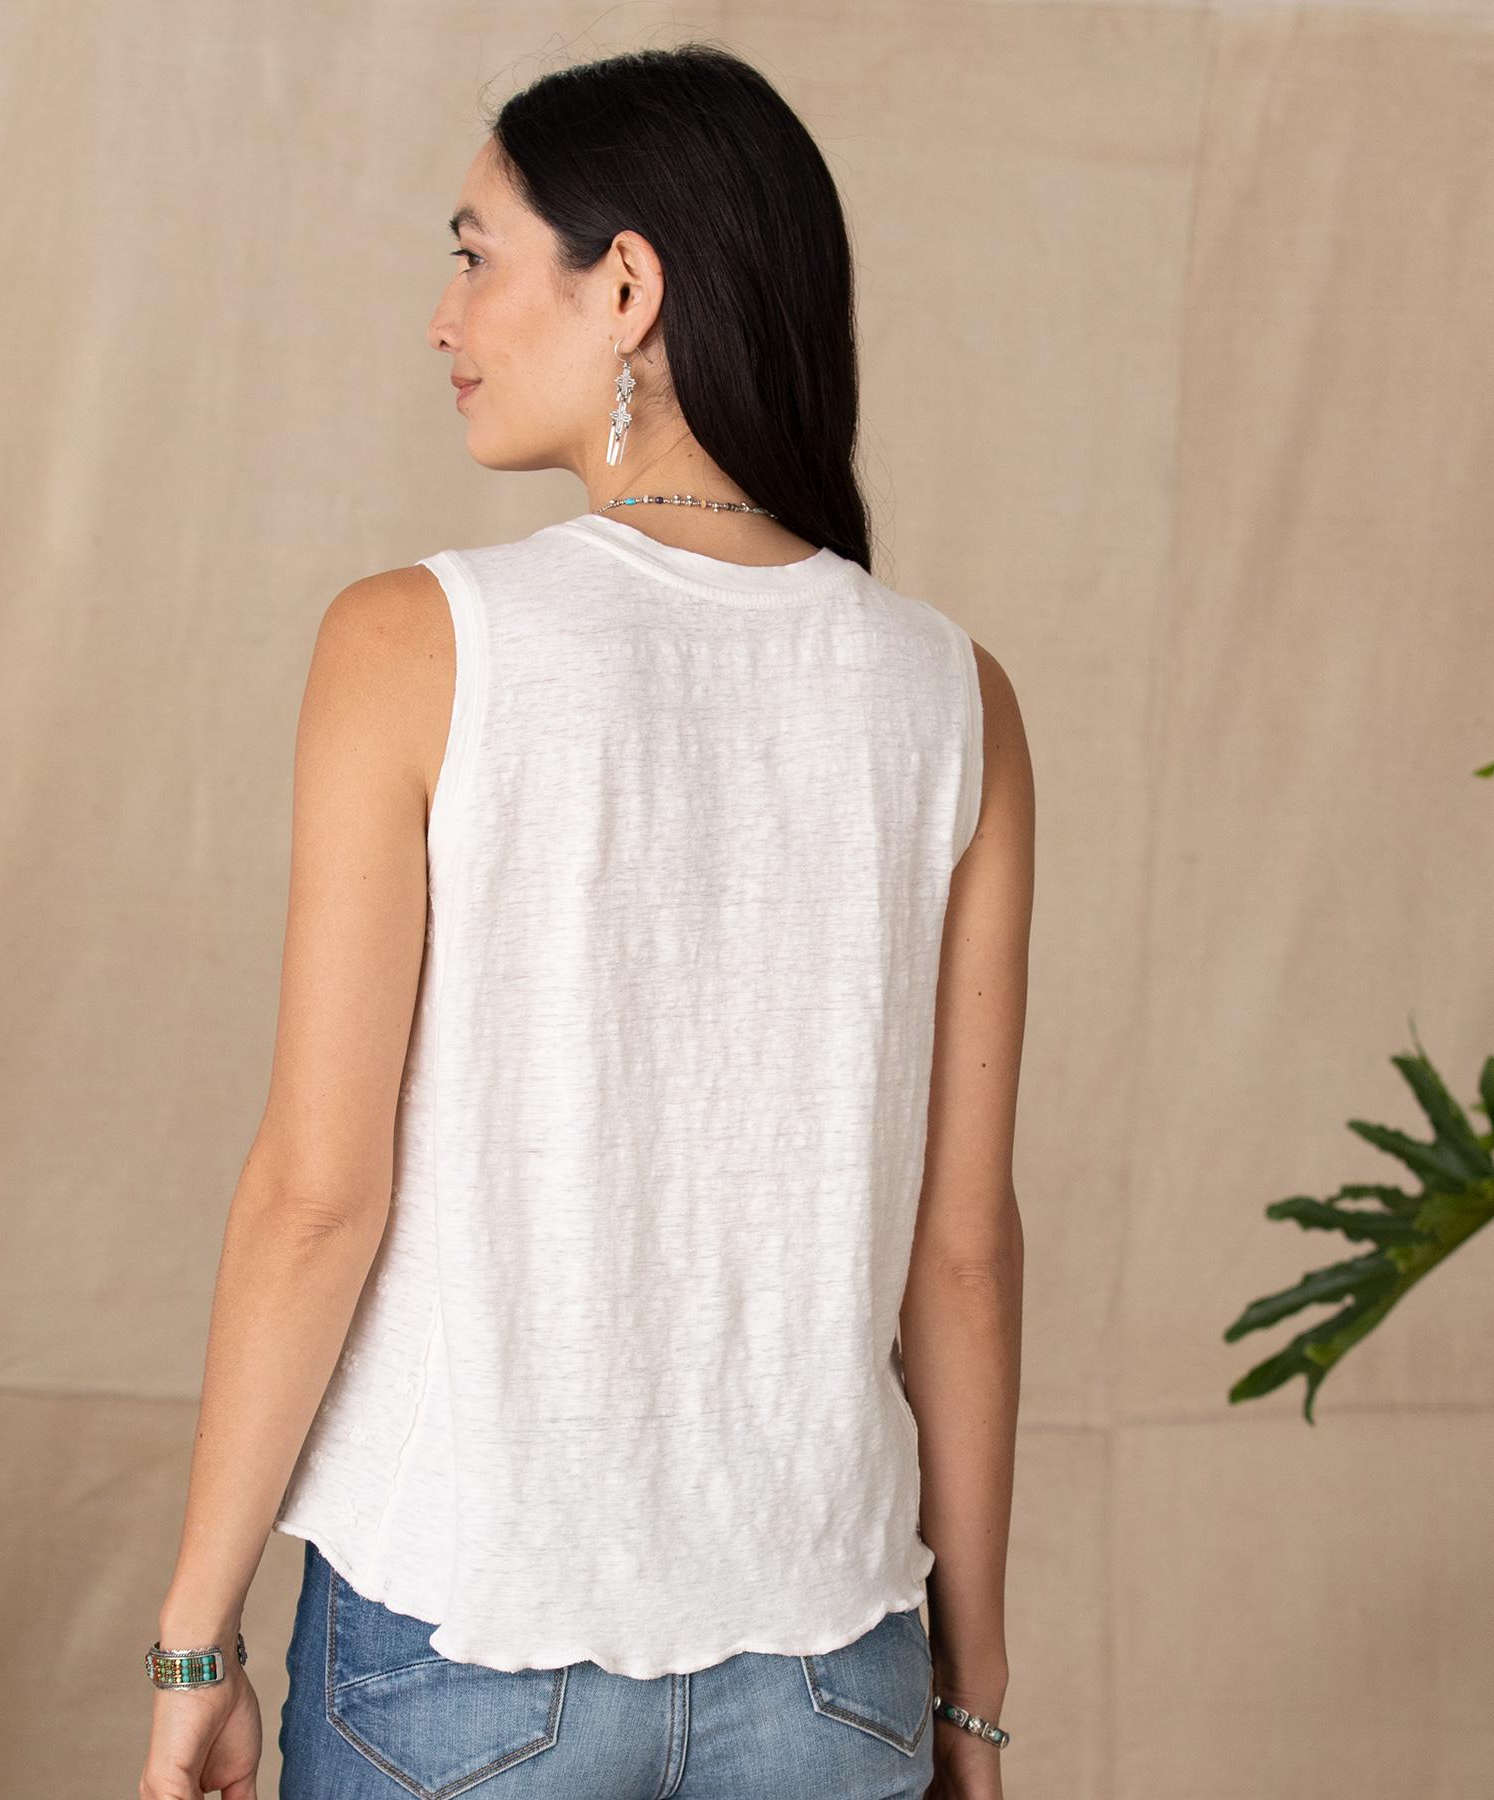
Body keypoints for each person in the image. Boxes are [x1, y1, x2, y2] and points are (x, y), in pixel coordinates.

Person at [139, 41, 1032, 1800]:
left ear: (625, 288)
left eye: (474, 255)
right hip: (835, 1669)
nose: (444, 318)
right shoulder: (955, 696)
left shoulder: (412, 642)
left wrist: (195, 1640)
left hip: (464, 1643)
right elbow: (965, 1257)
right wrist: (972, 1696)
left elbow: (319, 1198)